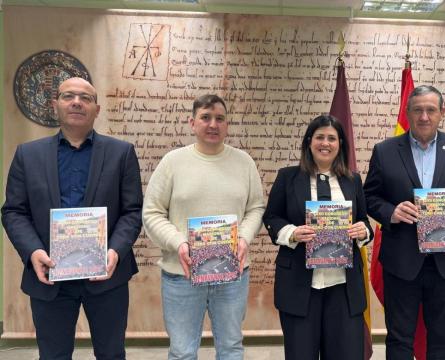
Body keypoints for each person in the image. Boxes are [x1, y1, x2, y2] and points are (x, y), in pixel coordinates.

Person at [1, 77, 143, 359]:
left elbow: (132, 211)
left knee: (112, 354)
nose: (77, 102)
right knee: (53, 355)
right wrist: (33, 252)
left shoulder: (121, 153)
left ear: (97, 109)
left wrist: (115, 251)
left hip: (106, 275)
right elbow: (14, 211)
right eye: (69, 96)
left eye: (85, 97)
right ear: (56, 105)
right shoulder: (27, 154)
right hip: (49, 275)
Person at [363, 85, 445, 359]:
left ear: (443, 112)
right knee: (399, 338)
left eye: (431, 110)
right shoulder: (385, 150)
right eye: (417, 110)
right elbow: (368, 196)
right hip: (401, 261)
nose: (424, 116)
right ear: (407, 113)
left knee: (443, 338)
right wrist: (391, 212)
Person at [143, 94, 264, 360]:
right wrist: (179, 243)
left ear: (227, 124)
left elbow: (256, 208)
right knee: (183, 351)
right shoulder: (172, 163)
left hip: (233, 274)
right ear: (192, 123)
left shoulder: (244, 163)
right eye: (205, 117)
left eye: (220, 118)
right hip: (181, 275)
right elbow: (152, 213)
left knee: (231, 347)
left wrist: (244, 238)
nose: (213, 124)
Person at [263, 115, 373, 360]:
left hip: (344, 287)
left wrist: (363, 231)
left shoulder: (352, 179)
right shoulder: (287, 176)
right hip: (300, 286)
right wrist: (291, 233)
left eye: (332, 138)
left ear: (340, 144)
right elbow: (271, 217)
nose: (326, 143)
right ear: (309, 142)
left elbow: (364, 220)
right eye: (320, 137)